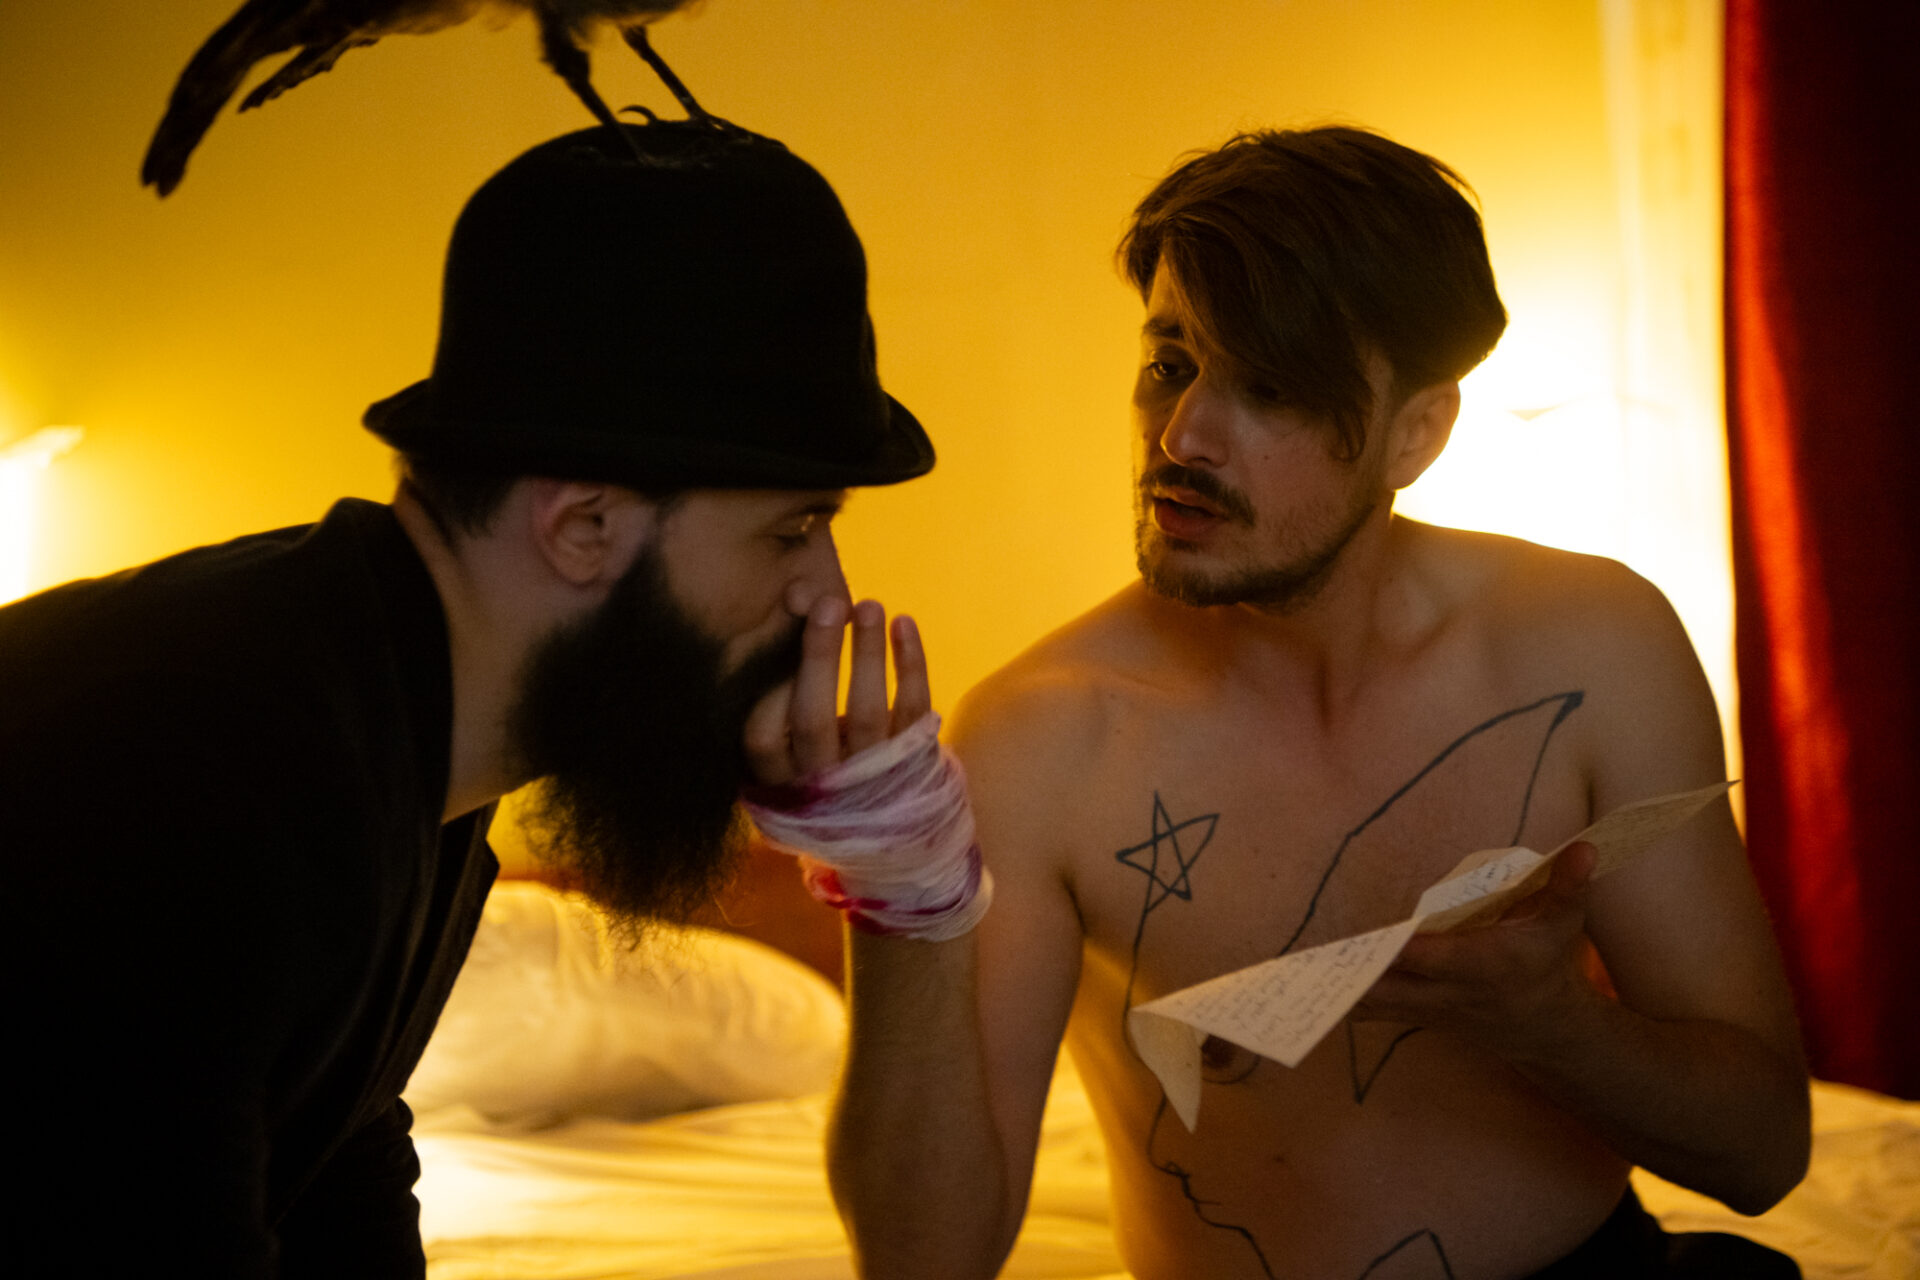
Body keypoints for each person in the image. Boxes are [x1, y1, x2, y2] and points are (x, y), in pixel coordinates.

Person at [815, 127, 1812, 1279]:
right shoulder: (1042, 742)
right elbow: (922, 1260)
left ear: (1416, 432)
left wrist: (1555, 1025)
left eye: (1272, 387)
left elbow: (1763, 1152)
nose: (1182, 436)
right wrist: (892, 881)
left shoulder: (1593, 646)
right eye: (1170, 363)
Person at [2, 119, 935, 1276]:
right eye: (792, 530)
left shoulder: (396, 711)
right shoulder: (201, 771)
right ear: (584, 525)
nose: (827, 597)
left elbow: (336, 1167)